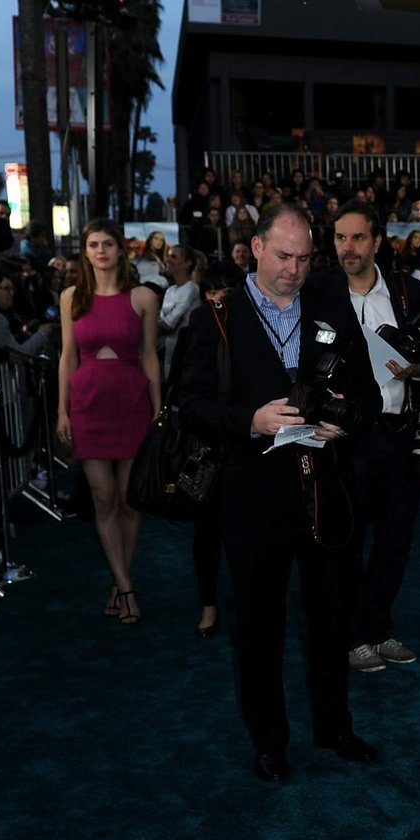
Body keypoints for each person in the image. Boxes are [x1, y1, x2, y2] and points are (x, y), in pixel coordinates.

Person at [175, 204, 381, 782]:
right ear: (255, 248)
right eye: (284, 255)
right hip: (252, 496)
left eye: (304, 257)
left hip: (327, 492)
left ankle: (335, 727)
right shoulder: (216, 317)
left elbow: (368, 395)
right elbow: (191, 406)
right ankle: (269, 740)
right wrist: (251, 420)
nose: (294, 268)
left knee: (332, 617)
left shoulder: (330, 304)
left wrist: (347, 420)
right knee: (260, 626)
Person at [319, 199, 420, 674]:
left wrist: (418, 367)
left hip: (400, 434)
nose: (347, 247)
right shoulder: (319, 293)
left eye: (356, 238)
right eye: (339, 237)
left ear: (377, 241)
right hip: (346, 438)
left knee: (396, 540)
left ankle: (378, 626)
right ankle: (352, 634)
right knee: (348, 543)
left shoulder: (408, 292)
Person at [55, 219, 163, 626]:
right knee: (102, 498)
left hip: (131, 401)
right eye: (93, 244)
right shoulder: (71, 297)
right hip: (87, 403)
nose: (100, 250)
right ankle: (126, 586)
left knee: (128, 500)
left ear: (121, 250)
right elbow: (66, 356)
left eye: (107, 244)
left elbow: (151, 356)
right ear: (85, 252)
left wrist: (158, 410)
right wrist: (61, 410)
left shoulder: (143, 298)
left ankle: (121, 583)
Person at [165, 261, 238, 639]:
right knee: (207, 534)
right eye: (211, 292)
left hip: (244, 448)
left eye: (224, 292)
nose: (218, 300)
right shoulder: (197, 328)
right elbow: (181, 392)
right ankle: (208, 605)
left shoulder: (250, 328)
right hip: (208, 450)